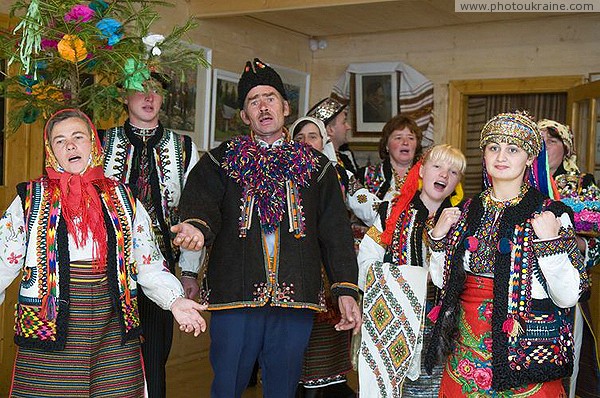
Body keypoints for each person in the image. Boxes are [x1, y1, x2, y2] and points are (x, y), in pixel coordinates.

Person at [171, 58, 362, 398]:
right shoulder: (220, 160)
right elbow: (201, 205)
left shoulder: (317, 166)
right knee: (227, 383)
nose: (263, 106)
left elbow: (335, 231)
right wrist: (197, 230)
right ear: (244, 115)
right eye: (253, 101)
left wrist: (345, 288)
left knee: (283, 386)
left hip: (296, 293)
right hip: (235, 291)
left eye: (270, 97)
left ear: (286, 107)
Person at [5, 109, 207, 397]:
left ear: (93, 143)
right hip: (49, 323)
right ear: (51, 151)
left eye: (78, 137)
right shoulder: (29, 199)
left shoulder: (123, 198)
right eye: (60, 141)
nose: (70, 146)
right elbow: (3, 261)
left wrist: (175, 301)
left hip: (112, 322)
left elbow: (147, 262)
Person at [425, 111, 589, 396]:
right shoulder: (465, 211)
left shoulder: (552, 214)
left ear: (529, 158)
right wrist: (438, 238)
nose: (501, 156)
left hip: (526, 353)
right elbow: (442, 282)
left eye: (512, 149)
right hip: (466, 353)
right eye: (493, 148)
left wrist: (550, 245)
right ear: (484, 155)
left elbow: (568, 296)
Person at [102, 73, 203, 398]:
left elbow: (193, 214)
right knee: (110, 357)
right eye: (140, 90)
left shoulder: (183, 148)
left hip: (162, 271)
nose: (149, 98)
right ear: (124, 96)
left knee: (155, 357)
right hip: (106, 271)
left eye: (156, 91)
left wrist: (188, 271)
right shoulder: (101, 142)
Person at [357, 144, 465, 397]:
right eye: (437, 166)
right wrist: (413, 278)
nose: (444, 175)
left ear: (457, 182)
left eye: (453, 172)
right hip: (394, 323)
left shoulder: (462, 220)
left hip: (442, 328)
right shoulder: (391, 213)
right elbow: (366, 262)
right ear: (422, 170)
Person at [290, 116, 380, 398]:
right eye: (299, 138)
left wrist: (396, 214)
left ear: (324, 141)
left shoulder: (338, 173)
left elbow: (364, 202)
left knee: (328, 337)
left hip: (331, 267)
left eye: (313, 136)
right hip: (294, 267)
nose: (306, 143)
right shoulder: (282, 174)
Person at [538, 118, 600, 398]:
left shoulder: (583, 185)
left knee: (569, 357)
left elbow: (596, 245)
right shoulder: (519, 182)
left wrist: (575, 242)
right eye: (538, 140)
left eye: (551, 141)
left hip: (567, 284)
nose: (543, 146)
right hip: (525, 285)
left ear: (566, 148)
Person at [358, 114, 423, 201]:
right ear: (386, 145)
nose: (405, 142)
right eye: (398, 138)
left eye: (411, 138)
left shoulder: (427, 176)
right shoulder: (366, 175)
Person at [307, 96, 360, 174]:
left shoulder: (344, 158)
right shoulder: (318, 164)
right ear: (330, 130)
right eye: (344, 122)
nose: (349, 127)